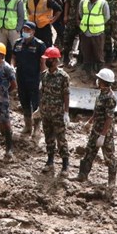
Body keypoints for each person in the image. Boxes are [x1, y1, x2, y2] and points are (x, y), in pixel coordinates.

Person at [74, 68, 117, 189]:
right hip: (96, 128)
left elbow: (109, 118)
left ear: (103, 81)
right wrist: (90, 121)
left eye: (99, 79)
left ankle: (111, 182)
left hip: (105, 132)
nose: (97, 81)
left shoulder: (110, 98)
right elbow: (98, 111)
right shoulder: (101, 94)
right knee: (89, 152)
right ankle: (82, 175)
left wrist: (103, 135)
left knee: (109, 157)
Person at [38, 47, 71, 175]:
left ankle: (65, 165)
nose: (47, 62)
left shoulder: (63, 76)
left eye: (49, 59)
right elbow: (43, 92)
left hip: (58, 114)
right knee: (48, 138)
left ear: (55, 60)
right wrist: (40, 108)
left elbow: (66, 95)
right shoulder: (44, 75)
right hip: (46, 113)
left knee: (61, 139)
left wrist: (66, 113)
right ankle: (50, 162)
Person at [78, 0, 109, 74]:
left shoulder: (103, 3)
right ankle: (87, 73)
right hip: (85, 32)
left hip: (97, 33)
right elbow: (81, 14)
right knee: (86, 54)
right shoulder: (83, 1)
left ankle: (99, 74)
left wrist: (96, 24)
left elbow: (106, 17)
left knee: (98, 55)